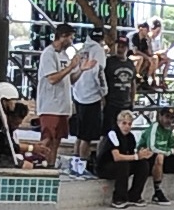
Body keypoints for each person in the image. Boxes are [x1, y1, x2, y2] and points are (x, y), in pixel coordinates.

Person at [33, 24, 75, 168]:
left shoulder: (64, 55)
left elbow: (70, 79)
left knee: (57, 139)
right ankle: (39, 163)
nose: (72, 40)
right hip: (50, 104)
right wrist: (70, 67)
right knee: (48, 138)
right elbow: (52, 78)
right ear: (63, 36)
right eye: (70, 37)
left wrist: (81, 69)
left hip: (63, 104)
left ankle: (51, 164)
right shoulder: (48, 54)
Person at [69, 28, 108, 172]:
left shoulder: (81, 49)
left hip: (78, 94)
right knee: (87, 136)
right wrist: (103, 93)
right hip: (91, 96)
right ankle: (82, 167)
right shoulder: (98, 50)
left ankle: (74, 164)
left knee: (80, 133)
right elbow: (99, 72)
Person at [140, 106, 174, 203]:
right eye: (167, 117)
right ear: (160, 116)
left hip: (164, 158)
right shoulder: (154, 128)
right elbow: (152, 148)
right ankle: (157, 191)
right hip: (148, 159)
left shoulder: (169, 130)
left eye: (172, 118)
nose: (169, 120)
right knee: (159, 156)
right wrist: (172, 151)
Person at [102, 109, 151, 209]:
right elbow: (117, 157)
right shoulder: (113, 134)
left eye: (129, 124)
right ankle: (119, 198)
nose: (127, 126)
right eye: (124, 123)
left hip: (124, 164)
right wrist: (136, 156)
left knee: (143, 164)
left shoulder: (130, 137)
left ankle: (134, 196)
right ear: (118, 123)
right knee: (123, 164)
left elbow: (131, 154)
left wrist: (142, 155)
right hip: (106, 165)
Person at [103, 29, 137, 135]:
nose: (120, 49)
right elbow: (103, 80)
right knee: (108, 132)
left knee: (123, 132)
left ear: (127, 48)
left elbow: (133, 83)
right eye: (118, 46)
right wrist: (103, 99)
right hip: (111, 102)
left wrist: (132, 100)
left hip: (125, 103)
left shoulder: (130, 64)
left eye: (123, 47)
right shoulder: (109, 62)